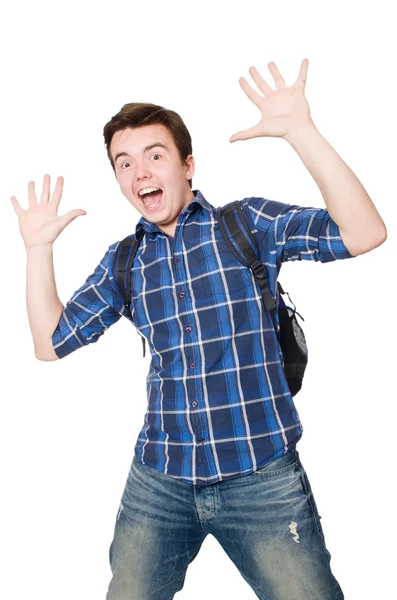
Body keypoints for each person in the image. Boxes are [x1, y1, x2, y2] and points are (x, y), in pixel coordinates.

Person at [12, 59, 387, 599]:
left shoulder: (245, 224)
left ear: (188, 166)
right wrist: (38, 250)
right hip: (159, 480)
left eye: (155, 155)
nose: (139, 171)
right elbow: (50, 344)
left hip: (261, 476)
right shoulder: (125, 262)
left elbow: (365, 231)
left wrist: (301, 132)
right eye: (124, 163)